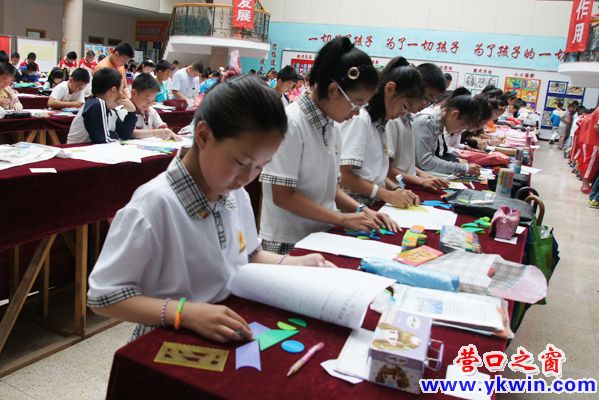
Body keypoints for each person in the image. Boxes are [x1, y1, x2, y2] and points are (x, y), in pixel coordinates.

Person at [87, 76, 333, 342]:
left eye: (260, 167)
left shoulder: (234, 193)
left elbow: (250, 255)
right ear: (204, 136)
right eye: (241, 162)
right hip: (169, 339)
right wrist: (185, 313)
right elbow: (103, 298)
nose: (247, 178)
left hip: (225, 326)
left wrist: (293, 263)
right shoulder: (152, 207)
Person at [259, 37, 399, 255]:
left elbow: (330, 189)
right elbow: (283, 196)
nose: (357, 113)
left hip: (321, 235)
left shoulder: (331, 126)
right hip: (289, 243)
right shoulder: (290, 123)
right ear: (333, 90)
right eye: (356, 103)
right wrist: (341, 218)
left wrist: (362, 210)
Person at [338, 57, 422, 208]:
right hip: (352, 207)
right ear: (390, 89)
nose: (403, 113)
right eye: (404, 106)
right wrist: (387, 195)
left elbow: (376, 176)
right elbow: (343, 175)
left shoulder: (381, 124)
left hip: (370, 204)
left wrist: (396, 190)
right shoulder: (361, 119)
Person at [386, 63, 449, 193]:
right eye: (425, 98)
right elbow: (386, 169)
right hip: (393, 189)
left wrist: (421, 174)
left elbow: (404, 162)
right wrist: (420, 181)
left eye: (430, 101)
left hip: (402, 187)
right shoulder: (393, 119)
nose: (425, 104)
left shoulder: (407, 117)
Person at [413, 93, 482, 176]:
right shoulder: (427, 121)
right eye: (463, 125)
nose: (461, 130)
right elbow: (426, 161)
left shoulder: (438, 121)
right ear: (454, 114)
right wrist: (462, 168)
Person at [67, 68, 136, 144]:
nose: (122, 95)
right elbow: (103, 140)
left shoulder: (110, 109)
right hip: (76, 150)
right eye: (120, 90)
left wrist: (131, 113)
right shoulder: (97, 104)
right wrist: (115, 135)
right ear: (113, 91)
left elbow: (124, 135)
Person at [130, 74, 180, 141]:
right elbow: (129, 132)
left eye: (153, 100)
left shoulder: (150, 110)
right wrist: (154, 133)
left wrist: (168, 132)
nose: (149, 104)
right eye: (146, 99)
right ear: (134, 93)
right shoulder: (125, 110)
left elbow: (161, 126)